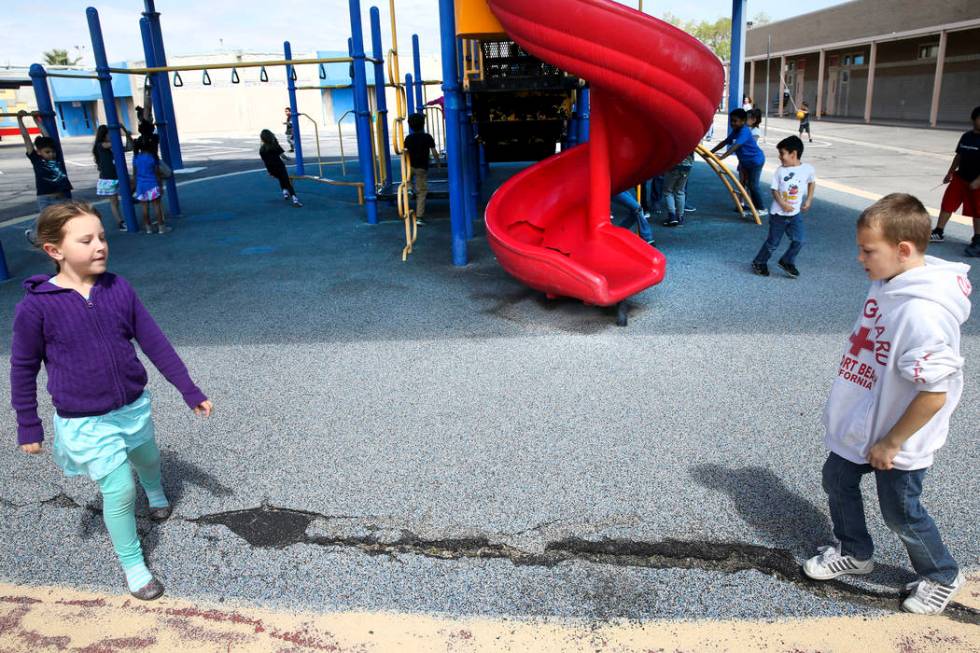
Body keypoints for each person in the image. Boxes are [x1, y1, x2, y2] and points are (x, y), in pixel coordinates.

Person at [10, 201, 213, 601]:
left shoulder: (117, 288)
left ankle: (155, 492)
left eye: (102, 237)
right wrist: (28, 424)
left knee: (148, 457)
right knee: (118, 490)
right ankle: (133, 563)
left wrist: (188, 388)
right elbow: (22, 367)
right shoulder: (36, 307)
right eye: (86, 240)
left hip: (132, 405)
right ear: (55, 250)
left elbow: (154, 341)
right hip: (86, 420)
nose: (100, 245)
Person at [803, 193, 971, 616]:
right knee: (838, 479)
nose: (859, 258)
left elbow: (934, 393)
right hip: (863, 420)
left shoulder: (923, 314)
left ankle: (940, 574)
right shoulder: (889, 280)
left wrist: (891, 443)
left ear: (903, 250)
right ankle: (855, 551)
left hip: (898, 437)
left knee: (901, 512)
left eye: (867, 250)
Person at [751, 136, 815, 277]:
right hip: (778, 215)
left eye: (782, 153)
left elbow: (811, 182)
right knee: (773, 242)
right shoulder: (780, 171)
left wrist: (809, 199)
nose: (780, 157)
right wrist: (783, 204)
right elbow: (774, 190)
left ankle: (787, 261)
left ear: (793, 154)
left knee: (799, 240)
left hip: (794, 215)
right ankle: (759, 262)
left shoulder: (807, 169)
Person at [930, 105, 980, 256]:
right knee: (948, 203)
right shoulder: (966, 136)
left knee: (977, 211)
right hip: (960, 178)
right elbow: (959, 156)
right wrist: (950, 173)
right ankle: (938, 232)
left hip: (976, 181)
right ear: (973, 119)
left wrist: (979, 180)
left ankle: (978, 240)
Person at [17, 110, 73, 214]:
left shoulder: (56, 158)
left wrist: (36, 119)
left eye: (52, 152)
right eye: (47, 152)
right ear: (39, 152)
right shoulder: (36, 159)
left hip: (61, 197)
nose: (51, 154)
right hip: (45, 199)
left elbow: (46, 136)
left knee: (66, 221)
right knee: (48, 225)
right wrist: (19, 119)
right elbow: (26, 138)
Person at [712, 108, 766, 215]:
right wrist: (711, 151)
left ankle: (761, 208)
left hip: (755, 161)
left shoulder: (744, 131)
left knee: (753, 185)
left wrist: (722, 157)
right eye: (731, 121)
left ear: (743, 121)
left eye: (735, 121)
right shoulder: (736, 131)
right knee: (744, 184)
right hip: (745, 162)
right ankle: (749, 205)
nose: (732, 123)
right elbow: (725, 141)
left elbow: (736, 145)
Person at [93, 124, 134, 231]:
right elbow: (113, 144)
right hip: (108, 178)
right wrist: (118, 130)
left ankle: (131, 197)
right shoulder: (100, 145)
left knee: (134, 181)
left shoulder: (113, 146)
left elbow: (130, 147)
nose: (111, 135)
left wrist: (125, 132)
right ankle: (120, 222)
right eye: (109, 134)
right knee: (114, 202)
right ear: (103, 135)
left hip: (119, 175)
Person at [403, 113, 439, 222]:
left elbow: (405, 152)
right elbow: (434, 152)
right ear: (423, 124)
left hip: (409, 165)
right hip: (421, 168)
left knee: (408, 179)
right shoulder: (427, 137)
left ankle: (409, 189)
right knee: (421, 192)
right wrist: (438, 163)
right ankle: (419, 217)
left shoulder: (408, 138)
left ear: (410, 126)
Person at [131, 139, 170, 234]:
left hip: (141, 186)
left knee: (144, 208)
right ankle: (161, 227)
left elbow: (134, 174)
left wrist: (135, 186)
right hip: (152, 184)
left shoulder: (136, 158)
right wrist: (160, 186)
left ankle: (148, 228)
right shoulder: (152, 157)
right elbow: (157, 174)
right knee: (157, 207)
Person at [259, 129, 302, 207]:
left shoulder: (262, 149)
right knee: (286, 182)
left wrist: (269, 171)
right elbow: (283, 156)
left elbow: (265, 161)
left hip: (271, 168)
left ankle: (285, 192)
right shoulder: (275, 145)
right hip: (280, 166)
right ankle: (295, 200)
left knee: (281, 179)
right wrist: (289, 159)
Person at [661, 152, 695, 227]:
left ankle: (672, 216)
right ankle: (680, 218)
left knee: (668, 191)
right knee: (680, 192)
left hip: (674, 165)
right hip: (687, 165)